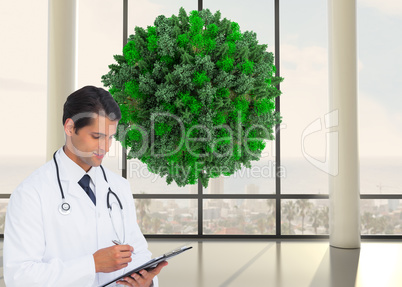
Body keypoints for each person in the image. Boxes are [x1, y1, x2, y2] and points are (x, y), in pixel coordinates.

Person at [3, 86, 167, 287]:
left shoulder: (118, 187)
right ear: (70, 128)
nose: (105, 148)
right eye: (97, 136)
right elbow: (20, 277)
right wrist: (92, 265)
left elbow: (138, 253)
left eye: (110, 137)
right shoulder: (31, 193)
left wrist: (146, 282)